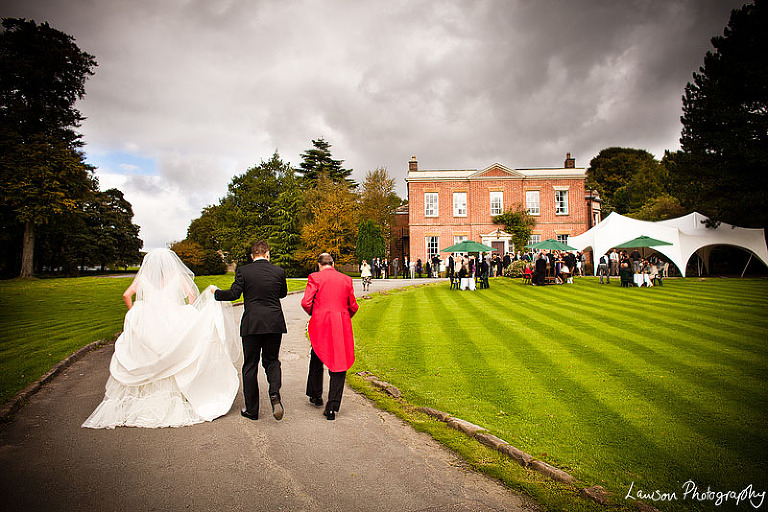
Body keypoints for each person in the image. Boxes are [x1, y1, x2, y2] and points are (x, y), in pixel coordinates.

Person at [83, 249, 240, 429]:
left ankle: (143, 397)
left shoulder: (143, 279)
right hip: (172, 321)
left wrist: (134, 312)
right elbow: (192, 296)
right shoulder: (177, 277)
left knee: (147, 356)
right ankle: (176, 395)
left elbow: (126, 295)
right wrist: (186, 311)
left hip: (149, 323)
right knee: (173, 356)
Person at [214, 240, 288, 421]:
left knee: (250, 366)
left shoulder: (244, 271)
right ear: (267, 254)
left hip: (252, 324)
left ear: (252, 255)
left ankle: (252, 410)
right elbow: (283, 293)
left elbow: (233, 294)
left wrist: (215, 293)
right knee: (272, 361)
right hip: (273, 323)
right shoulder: (278, 271)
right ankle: (274, 393)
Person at [301, 253, 359, 420]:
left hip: (321, 322)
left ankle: (315, 394)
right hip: (340, 323)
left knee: (317, 354)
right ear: (333, 263)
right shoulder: (346, 279)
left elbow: (306, 302)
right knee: (339, 361)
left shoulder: (315, 277)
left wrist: (315, 313)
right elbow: (353, 305)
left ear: (319, 264)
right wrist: (344, 316)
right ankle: (332, 407)